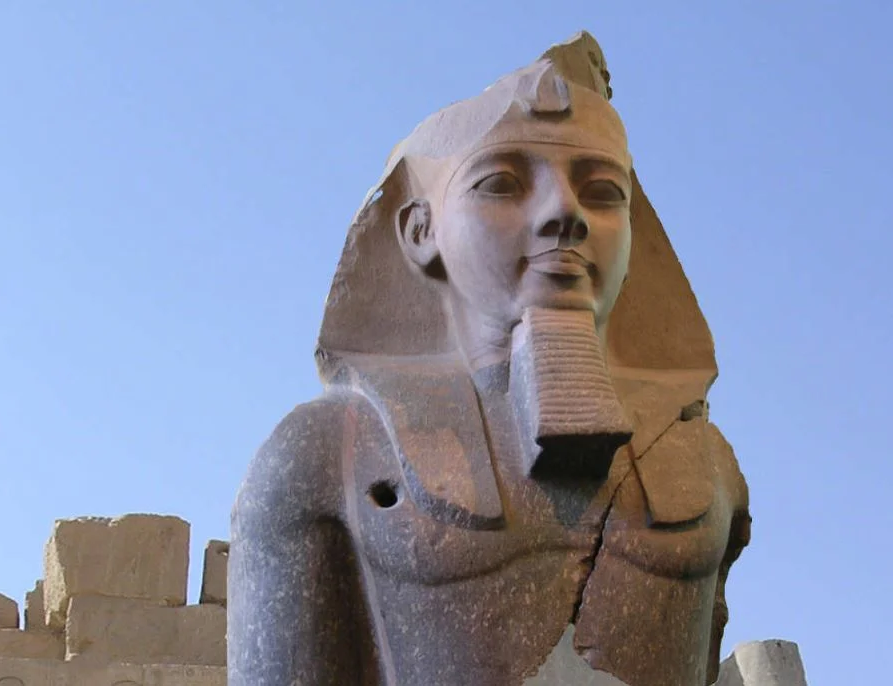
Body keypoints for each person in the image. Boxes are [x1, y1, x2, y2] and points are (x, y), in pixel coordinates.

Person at [229, 34, 751, 686]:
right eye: (502, 184)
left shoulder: (707, 462)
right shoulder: (322, 455)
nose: (564, 214)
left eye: (601, 191)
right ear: (420, 232)